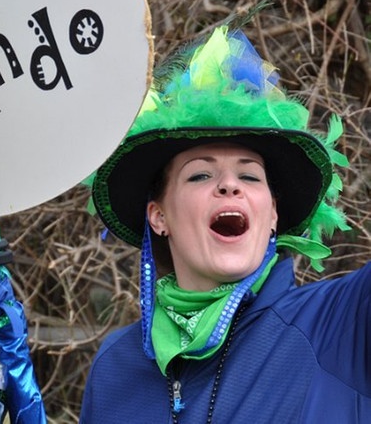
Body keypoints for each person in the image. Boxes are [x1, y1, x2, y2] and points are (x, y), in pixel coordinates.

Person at [79, 25, 370, 423]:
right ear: (159, 216)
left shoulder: (344, 323)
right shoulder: (113, 369)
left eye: (250, 176)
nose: (230, 185)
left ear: (272, 215)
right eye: (200, 175)